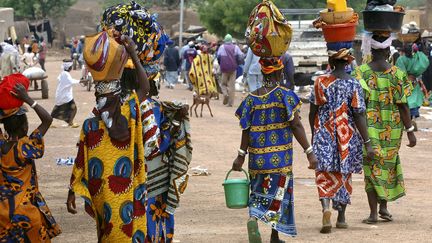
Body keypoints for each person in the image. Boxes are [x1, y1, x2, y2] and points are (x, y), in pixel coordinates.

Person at [66, 34, 150, 242]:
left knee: (109, 233)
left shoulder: (92, 124)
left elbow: (79, 163)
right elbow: (145, 89)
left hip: (104, 196)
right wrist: (133, 54)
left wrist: (71, 191)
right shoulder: (129, 113)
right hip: (128, 195)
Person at [232, 57, 318, 243]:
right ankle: (274, 236)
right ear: (279, 73)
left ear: (262, 73)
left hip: (257, 160)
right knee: (278, 196)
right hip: (280, 160)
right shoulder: (286, 96)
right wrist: (309, 152)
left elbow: (245, 129)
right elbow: (296, 125)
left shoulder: (251, 99)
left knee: (258, 192)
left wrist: (240, 156)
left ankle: (253, 218)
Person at [309, 48, 374, 233]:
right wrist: (367, 142)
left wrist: (315, 134)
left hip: (324, 132)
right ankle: (342, 217)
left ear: (330, 62)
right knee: (344, 174)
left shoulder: (320, 81)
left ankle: (325, 207)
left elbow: (313, 111)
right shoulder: (354, 84)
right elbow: (359, 114)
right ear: (347, 63)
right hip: (346, 135)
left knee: (323, 171)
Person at [353, 34, 417, 224]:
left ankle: (374, 213)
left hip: (368, 129)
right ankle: (383, 207)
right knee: (387, 167)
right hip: (393, 130)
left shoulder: (361, 72)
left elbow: (356, 105)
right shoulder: (398, 74)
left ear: (371, 51)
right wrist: (410, 131)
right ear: (389, 51)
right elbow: (404, 105)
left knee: (371, 168)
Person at [0, 83, 61, 242]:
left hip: (4, 214)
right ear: (24, 125)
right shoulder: (25, 147)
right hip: (27, 214)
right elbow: (47, 120)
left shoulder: (1, 146)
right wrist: (27, 99)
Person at [396, 43, 430, 130]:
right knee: (414, 101)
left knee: (405, 102)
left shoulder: (401, 59)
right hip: (415, 83)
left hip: (404, 84)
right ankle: (412, 119)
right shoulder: (417, 59)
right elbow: (425, 62)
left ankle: (407, 122)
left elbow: (400, 72)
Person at [51, 60, 80, 128]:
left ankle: (49, 121)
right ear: (69, 67)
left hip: (61, 94)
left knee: (57, 109)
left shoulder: (63, 73)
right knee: (74, 108)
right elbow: (71, 81)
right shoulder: (66, 74)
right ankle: (70, 122)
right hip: (65, 96)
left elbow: (60, 79)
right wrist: (81, 81)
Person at [217, 34, 243, 107]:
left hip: (224, 68)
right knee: (232, 86)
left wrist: (221, 64)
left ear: (225, 40)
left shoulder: (222, 47)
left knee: (223, 84)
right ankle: (230, 103)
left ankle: (225, 94)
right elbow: (241, 57)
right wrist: (237, 63)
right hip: (233, 68)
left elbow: (218, 57)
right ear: (231, 40)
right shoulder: (236, 47)